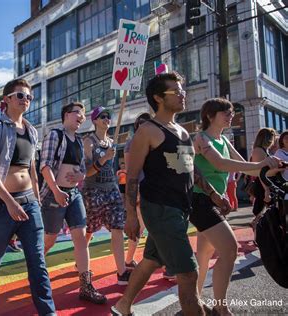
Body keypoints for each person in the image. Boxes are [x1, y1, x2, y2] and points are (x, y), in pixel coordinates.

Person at [112, 72, 231, 316]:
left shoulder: (183, 131)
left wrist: (213, 194)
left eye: (182, 91)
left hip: (181, 208)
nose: (182, 95)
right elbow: (132, 176)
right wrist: (131, 215)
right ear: (158, 98)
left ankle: (122, 306)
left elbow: (191, 168)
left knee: (151, 261)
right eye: (175, 92)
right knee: (189, 274)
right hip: (160, 209)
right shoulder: (147, 131)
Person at [191, 98, 281, 315]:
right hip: (200, 200)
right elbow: (220, 163)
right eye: (226, 112)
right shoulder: (201, 138)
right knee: (230, 250)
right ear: (210, 116)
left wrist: (272, 169)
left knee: (204, 255)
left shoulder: (223, 139)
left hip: (214, 201)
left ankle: (194, 301)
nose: (231, 115)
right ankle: (220, 308)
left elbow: (249, 170)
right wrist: (261, 165)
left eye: (231, 112)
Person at [0, 78, 55, 316]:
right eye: (20, 96)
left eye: (29, 97)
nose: (26, 100)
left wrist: (37, 198)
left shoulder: (31, 130)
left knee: (37, 260)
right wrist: (9, 202)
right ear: (7, 99)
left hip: (29, 202)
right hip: (1, 206)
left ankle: (48, 311)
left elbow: (31, 167)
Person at [40, 101, 106, 304]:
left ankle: (86, 285)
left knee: (80, 235)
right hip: (54, 196)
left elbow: (82, 170)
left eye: (83, 114)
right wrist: (56, 191)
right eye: (77, 113)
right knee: (49, 239)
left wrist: (80, 176)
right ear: (66, 115)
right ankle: (36, 265)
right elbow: (45, 166)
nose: (81, 117)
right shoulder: (55, 135)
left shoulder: (79, 141)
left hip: (74, 196)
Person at [83, 106, 130, 285]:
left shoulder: (112, 142)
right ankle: (81, 256)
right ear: (94, 120)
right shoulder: (88, 141)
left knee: (118, 228)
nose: (106, 119)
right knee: (89, 230)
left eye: (108, 116)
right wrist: (104, 158)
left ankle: (122, 272)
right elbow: (86, 172)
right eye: (102, 116)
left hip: (112, 190)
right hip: (93, 191)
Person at [123, 113, 151, 272]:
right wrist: (135, 193)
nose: (143, 125)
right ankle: (130, 260)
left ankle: (129, 260)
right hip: (141, 188)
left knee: (144, 228)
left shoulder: (155, 141)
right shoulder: (131, 143)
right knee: (142, 227)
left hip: (156, 188)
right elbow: (129, 172)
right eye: (140, 122)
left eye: (147, 122)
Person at [250, 128, 277, 219]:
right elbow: (260, 172)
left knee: (267, 212)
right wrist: (267, 190)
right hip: (263, 185)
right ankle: (257, 230)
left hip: (266, 184)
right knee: (259, 213)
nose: (273, 141)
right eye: (272, 138)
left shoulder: (263, 150)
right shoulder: (259, 150)